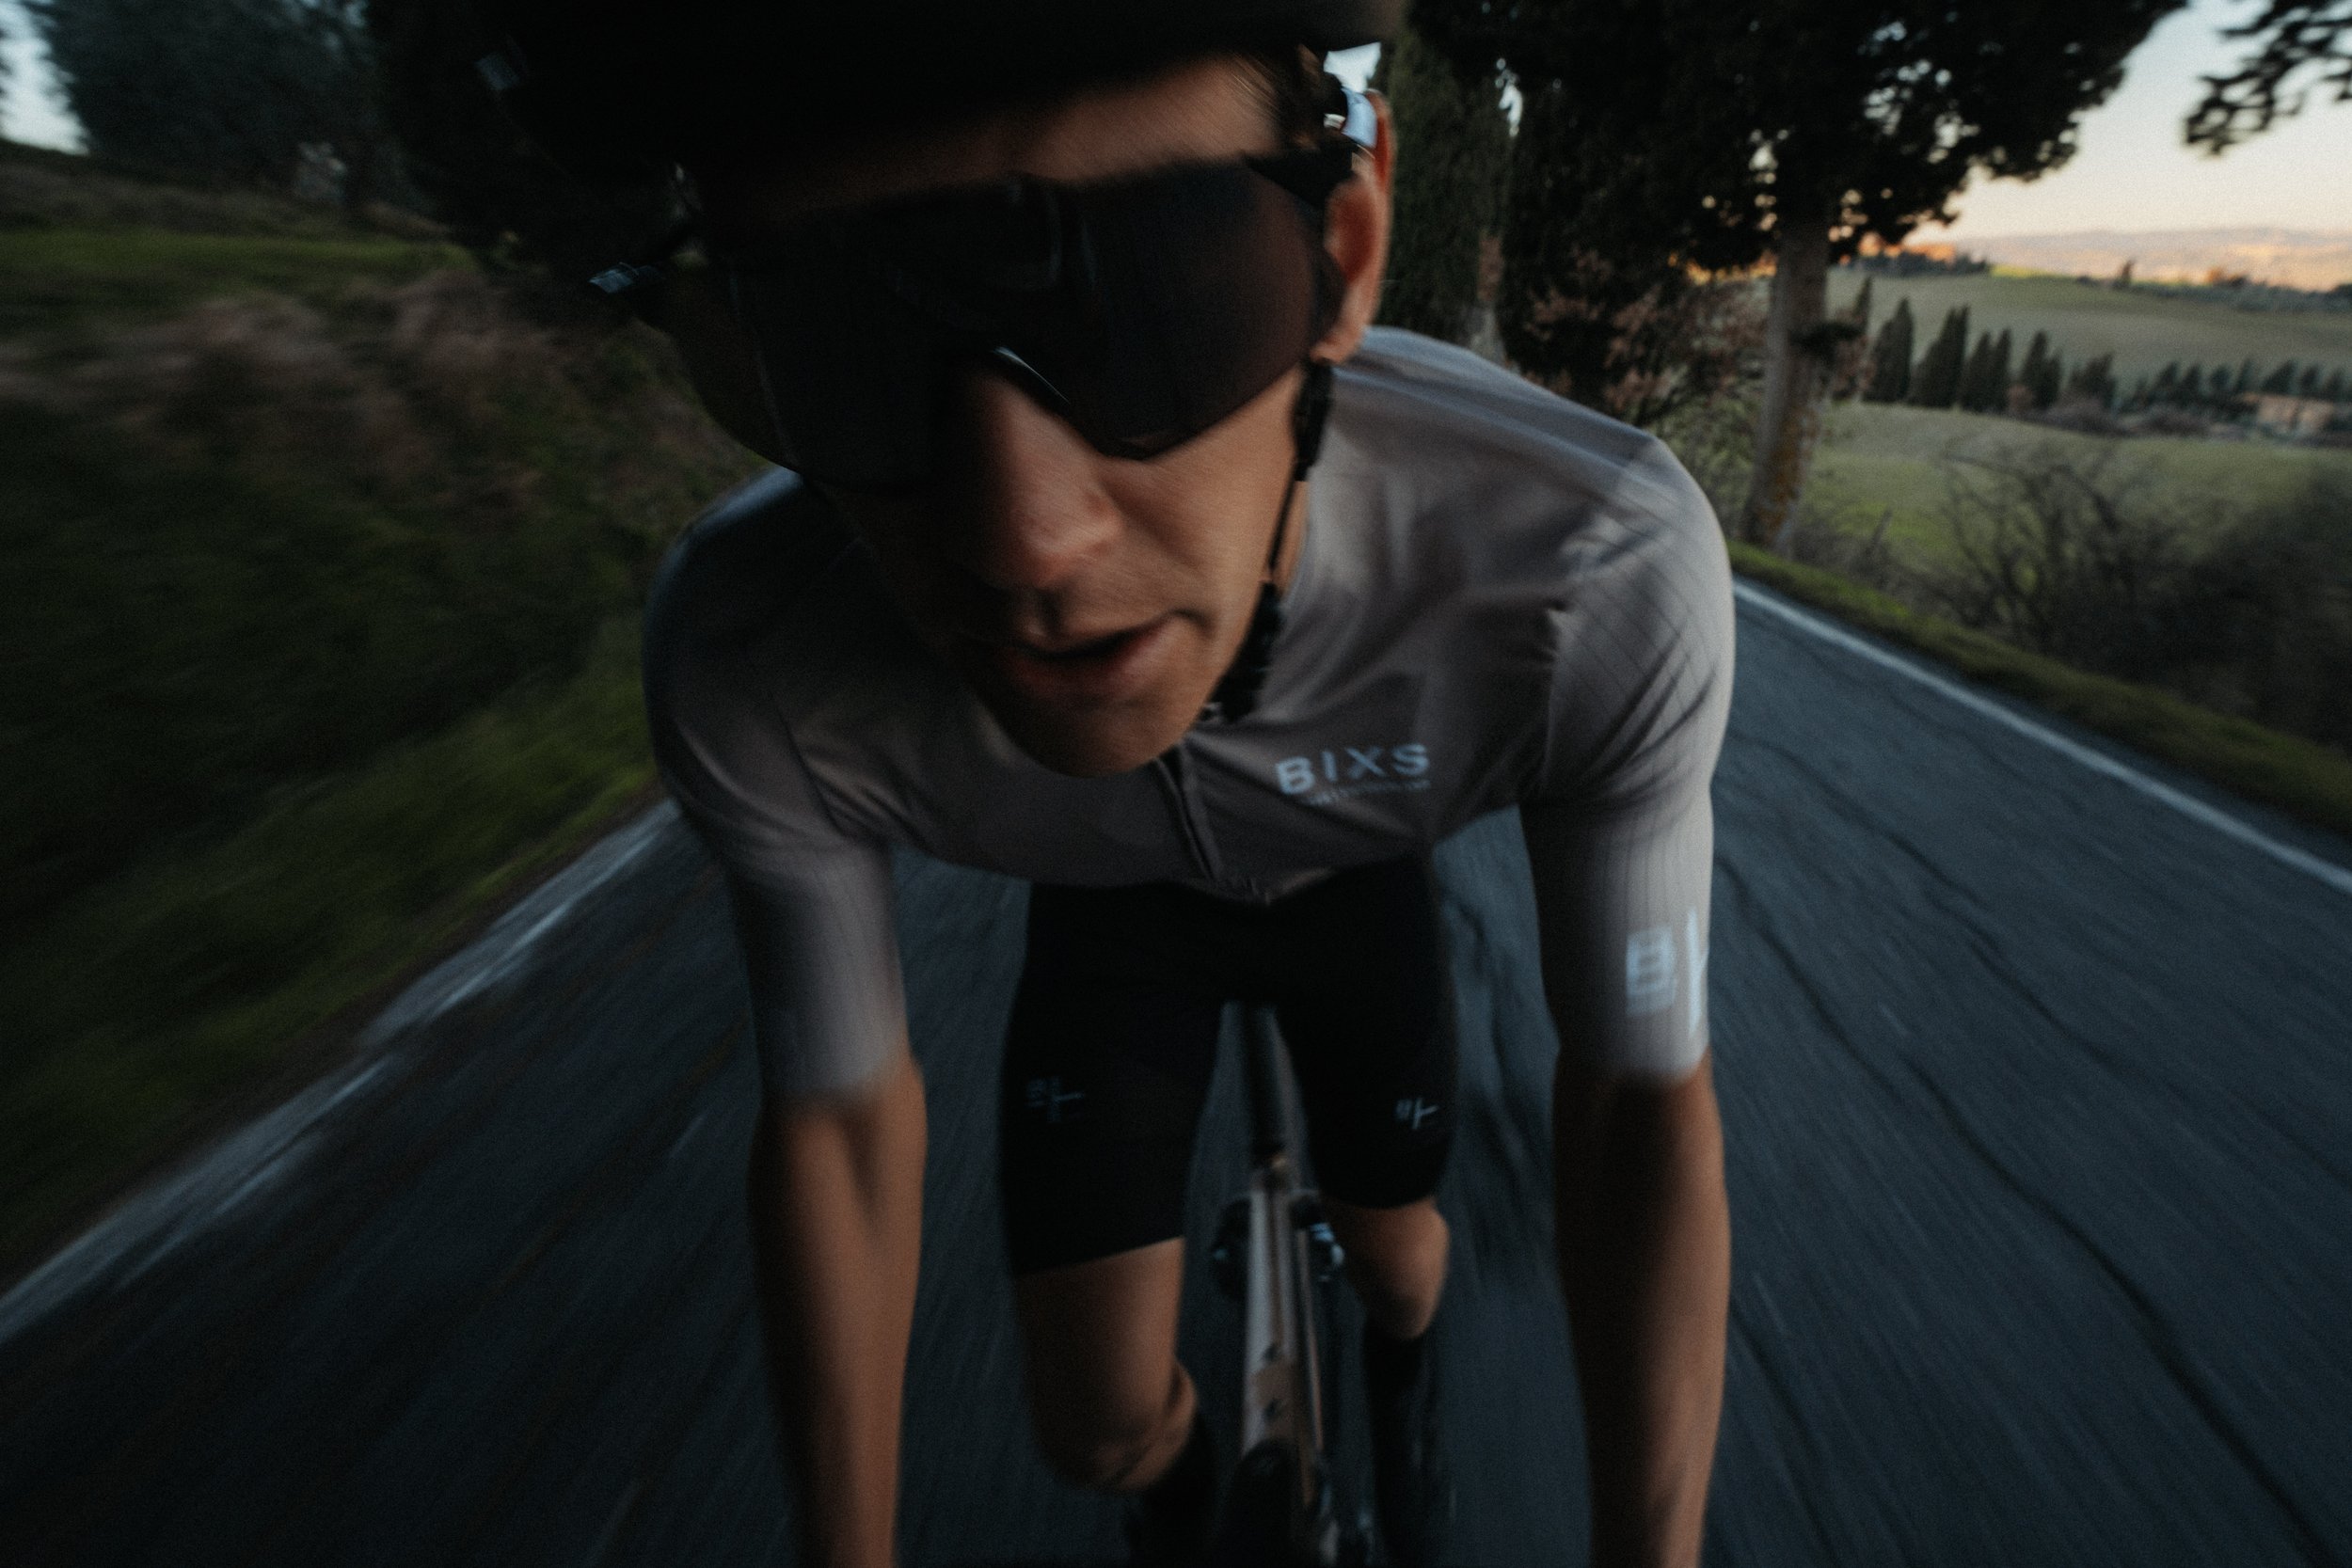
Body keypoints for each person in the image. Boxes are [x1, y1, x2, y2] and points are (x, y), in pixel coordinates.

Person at [473, 2, 1734, 1563]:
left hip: (1346, 898)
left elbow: (1638, 1095)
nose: (1024, 544)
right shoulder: (749, 660)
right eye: (835, 344)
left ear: (1343, 251)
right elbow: (841, 1127)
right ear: (734, 353)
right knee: (1094, 1429)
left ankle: (1403, 1375)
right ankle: (1187, 1489)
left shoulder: (1593, 564)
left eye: (1159, 300)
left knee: (1403, 1260)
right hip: (1119, 917)